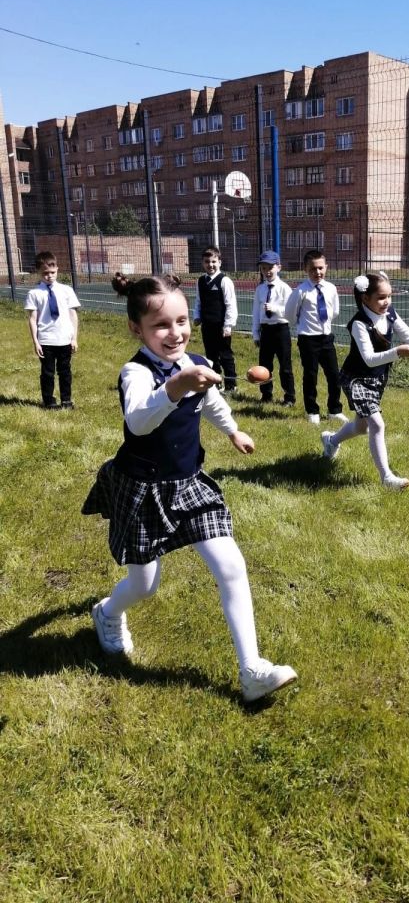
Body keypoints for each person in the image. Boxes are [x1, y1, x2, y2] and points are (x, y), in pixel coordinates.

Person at [82, 272, 297, 703]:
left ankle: (251, 669)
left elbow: (211, 399)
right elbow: (139, 420)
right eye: (161, 325)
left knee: (231, 565)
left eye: (181, 321)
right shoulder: (135, 372)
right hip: (143, 489)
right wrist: (174, 388)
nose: (175, 333)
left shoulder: (192, 361)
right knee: (145, 585)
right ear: (136, 329)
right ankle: (107, 613)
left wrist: (233, 430)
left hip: (188, 484)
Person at [320, 271, 409, 490]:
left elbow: (408, 335)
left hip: (376, 379)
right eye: (381, 297)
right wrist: (396, 352)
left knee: (361, 427)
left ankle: (331, 441)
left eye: (389, 296)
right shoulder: (358, 324)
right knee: (377, 424)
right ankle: (387, 477)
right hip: (355, 379)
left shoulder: (389, 313)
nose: (387, 301)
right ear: (365, 298)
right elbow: (369, 359)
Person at [286, 250, 348, 425]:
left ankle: (334, 410)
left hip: (326, 338)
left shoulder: (331, 289)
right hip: (308, 339)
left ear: (326, 267)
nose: (317, 272)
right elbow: (290, 314)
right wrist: (301, 326)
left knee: (334, 375)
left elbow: (334, 311)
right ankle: (312, 410)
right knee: (311, 375)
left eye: (320, 268)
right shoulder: (301, 291)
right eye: (313, 269)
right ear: (306, 269)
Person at [25, 250, 81, 410]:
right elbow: (33, 319)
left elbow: (73, 315)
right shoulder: (34, 293)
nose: (49, 276)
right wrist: (36, 342)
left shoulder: (66, 290)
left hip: (64, 339)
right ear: (38, 272)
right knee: (48, 373)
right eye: (45, 273)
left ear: (57, 269)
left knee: (65, 372)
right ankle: (49, 401)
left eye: (52, 272)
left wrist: (74, 338)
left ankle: (66, 400)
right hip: (45, 340)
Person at [251, 250, 296, 407]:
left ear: (279, 267)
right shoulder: (260, 289)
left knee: (285, 366)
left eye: (270, 267)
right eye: (263, 268)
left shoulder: (285, 288)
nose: (267, 271)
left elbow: (291, 312)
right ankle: (266, 394)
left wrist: (275, 308)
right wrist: (255, 333)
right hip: (266, 330)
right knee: (264, 365)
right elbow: (256, 312)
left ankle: (289, 397)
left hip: (281, 329)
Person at [192, 246, 238, 392]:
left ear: (219, 262)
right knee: (211, 356)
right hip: (207, 325)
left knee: (225, 355)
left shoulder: (224, 281)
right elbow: (198, 301)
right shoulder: (200, 281)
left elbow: (230, 304)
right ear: (202, 263)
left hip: (221, 326)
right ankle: (215, 383)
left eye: (213, 261)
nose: (210, 265)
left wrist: (228, 325)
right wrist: (197, 316)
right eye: (207, 262)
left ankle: (231, 385)